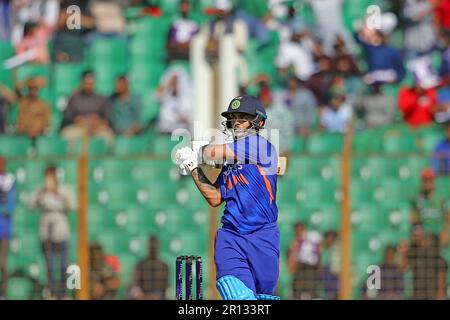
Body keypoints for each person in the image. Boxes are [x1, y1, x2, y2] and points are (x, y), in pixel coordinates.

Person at [175, 95, 280, 300]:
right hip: (231, 237)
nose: (236, 122)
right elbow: (214, 198)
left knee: (264, 300)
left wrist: (196, 152)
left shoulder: (260, 146)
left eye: (243, 117)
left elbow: (213, 152)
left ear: (259, 122)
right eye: (233, 118)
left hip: (263, 237)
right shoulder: (232, 162)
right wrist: (193, 168)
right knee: (240, 299)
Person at [28, 165, 75, 299]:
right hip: (46, 232)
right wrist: (42, 192)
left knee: (63, 265)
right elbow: (30, 205)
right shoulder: (41, 190)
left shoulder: (64, 189)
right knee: (49, 266)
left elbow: (72, 205)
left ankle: (64, 293)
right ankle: (52, 292)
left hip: (61, 231)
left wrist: (56, 192)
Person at [61, 71, 114, 146]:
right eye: (86, 82)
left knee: (108, 135)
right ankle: (72, 157)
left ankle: (105, 156)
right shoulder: (75, 98)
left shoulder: (101, 98)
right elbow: (68, 117)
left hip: (97, 127)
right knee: (67, 134)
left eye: (91, 82)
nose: (88, 85)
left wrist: (97, 123)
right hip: (79, 127)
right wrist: (79, 120)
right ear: (82, 82)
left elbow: (107, 118)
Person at [399, 225, 448, 300]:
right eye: (414, 235)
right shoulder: (413, 250)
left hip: (433, 294)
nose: (417, 237)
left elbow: (441, 271)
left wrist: (440, 292)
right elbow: (402, 269)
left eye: (418, 234)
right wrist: (404, 254)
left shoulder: (434, 247)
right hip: (418, 294)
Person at [410, 168, 450, 245]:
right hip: (424, 237)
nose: (427, 183)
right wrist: (418, 234)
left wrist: (446, 232)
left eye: (430, 180)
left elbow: (447, 218)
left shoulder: (441, 199)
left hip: (438, 236)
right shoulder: (418, 200)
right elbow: (414, 220)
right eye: (425, 180)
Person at [287, 222, 322, 300]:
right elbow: (292, 255)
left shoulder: (312, 238)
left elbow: (318, 252)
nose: (298, 232)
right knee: (297, 290)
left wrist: (319, 266)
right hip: (300, 267)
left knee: (311, 290)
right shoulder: (295, 242)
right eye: (297, 230)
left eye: (300, 230)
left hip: (311, 268)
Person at [128, 236, 169, 300]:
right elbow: (134, 286)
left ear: (158, 247)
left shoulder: (164, 266)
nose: (153, 248)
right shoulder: (139, 265)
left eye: (154, 246)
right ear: (147, 247)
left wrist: (156, 296)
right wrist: (143, 296)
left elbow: (166, 288)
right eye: (151, 246)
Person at [156, 66, 193, 134]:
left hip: (185, 133)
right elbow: (158, 95)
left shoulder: (190, 97)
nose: (173, 85)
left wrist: (184, 118)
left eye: (175, 82)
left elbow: (190, 117)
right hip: (167, 133)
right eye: (171, 82)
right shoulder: (167, 98)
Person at [0, 157, 16, 299]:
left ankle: (3, 293)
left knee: (3, 264)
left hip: (4, 232)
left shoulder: (8, 182)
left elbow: (10, 207)